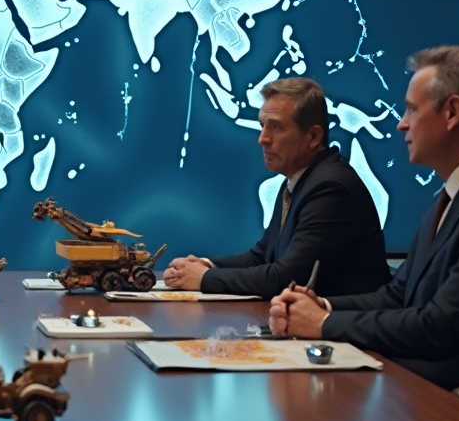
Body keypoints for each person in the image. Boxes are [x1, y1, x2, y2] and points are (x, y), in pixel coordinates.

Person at [269, 46, 459, 389]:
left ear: (453, 112)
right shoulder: (457, 195)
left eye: (412, 109)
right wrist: (319, 304)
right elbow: (397, 297)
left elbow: (440, 328)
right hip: (437, 395)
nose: (401, 123)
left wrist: (323, 324)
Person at [163, 77, 389, 298]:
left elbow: (287, 278)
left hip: (346, 330)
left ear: (313, 136)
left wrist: (204, 279)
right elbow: (263, 255)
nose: (263, 139)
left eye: (277, 127)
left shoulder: (330, 188)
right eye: (262, 126)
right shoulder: (299, 180)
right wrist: (206, 265)